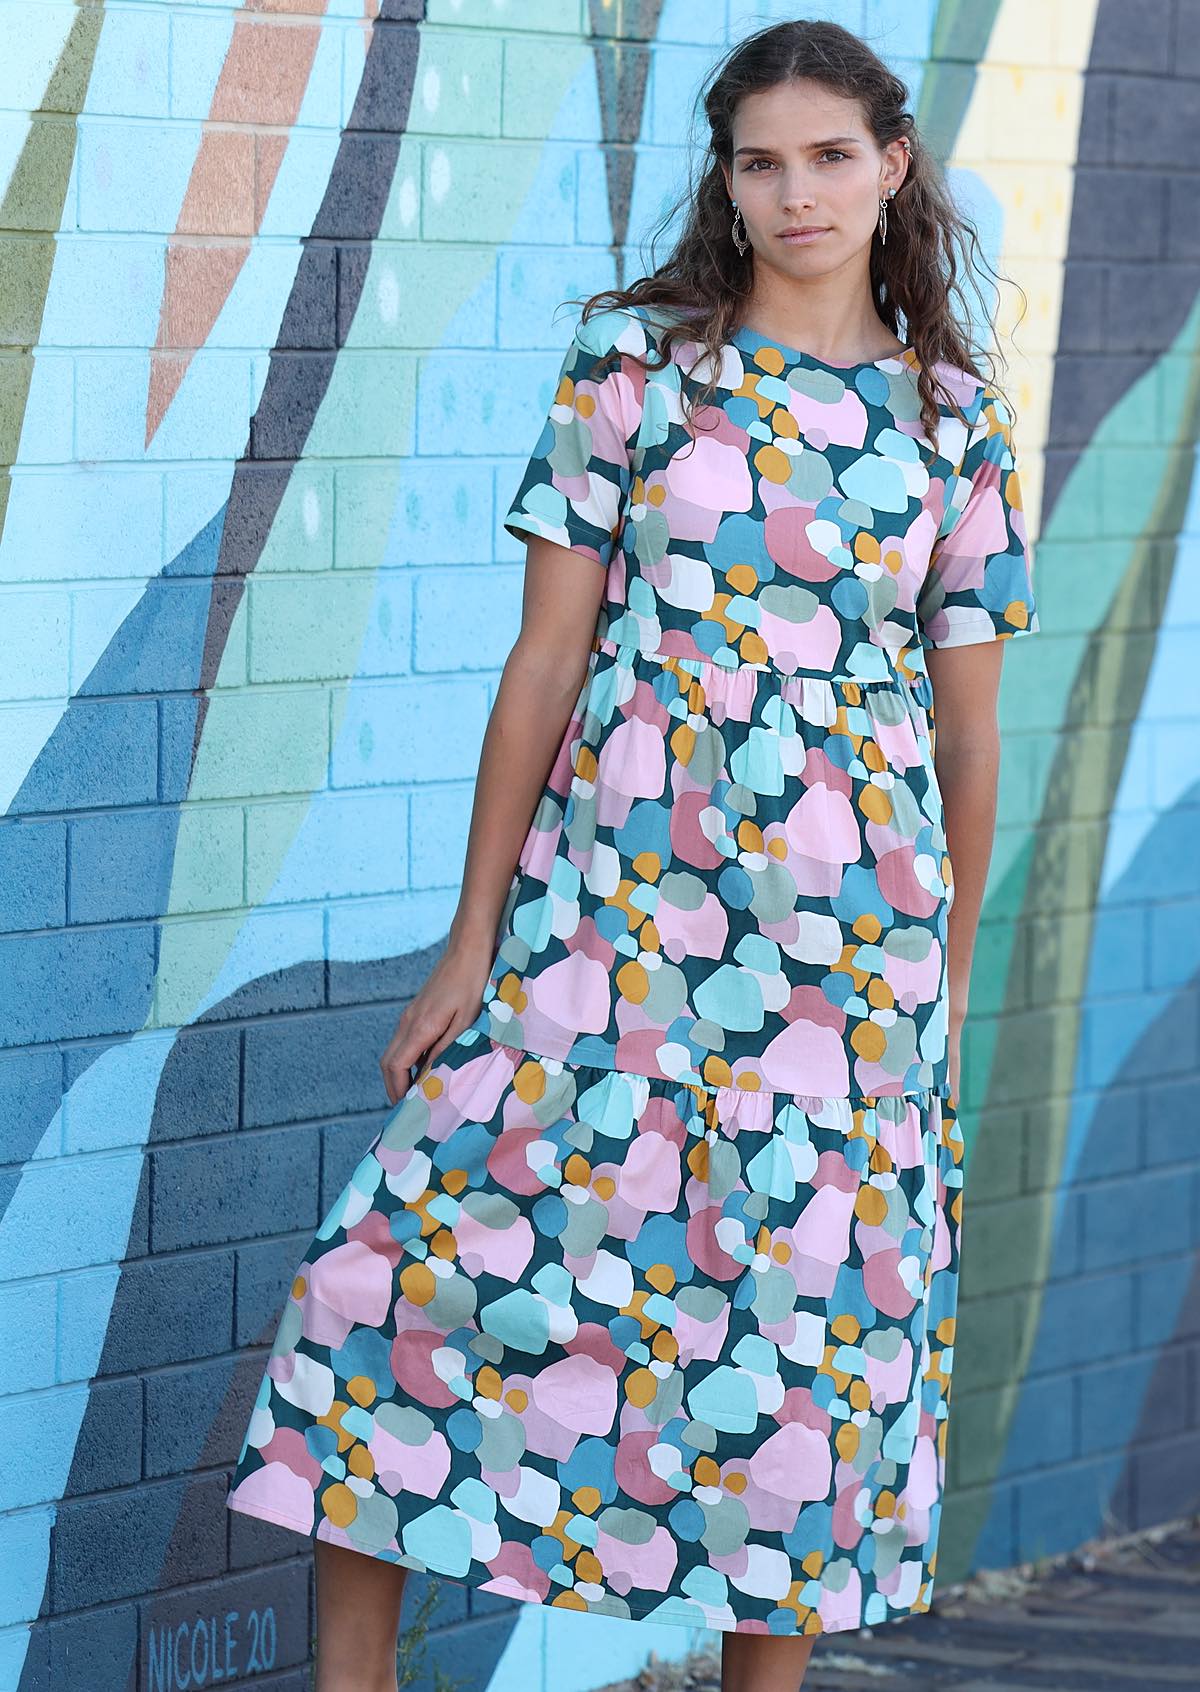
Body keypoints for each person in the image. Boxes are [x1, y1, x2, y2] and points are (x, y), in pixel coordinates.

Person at [225, 17, 1039, 1692]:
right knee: (395, 1287)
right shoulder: (635, 365)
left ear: (894, 166)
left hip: (850, 976)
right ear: (725, 185)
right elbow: (544, 665)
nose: (796, 192)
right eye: (761, 161)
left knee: (800, 1360)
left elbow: (969, 734)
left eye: (830, 155)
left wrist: (945, 987)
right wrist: (474, 940)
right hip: (613, 924)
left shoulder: (956, 422)